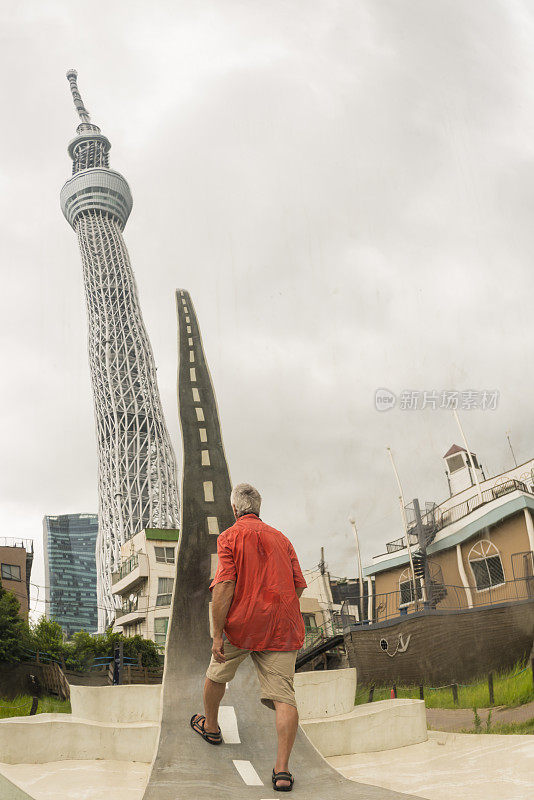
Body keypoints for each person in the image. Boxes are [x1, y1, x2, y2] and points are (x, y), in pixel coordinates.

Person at [190, 482, 307, 793]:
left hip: (242, 625)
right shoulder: (283, 539)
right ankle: (282, 771)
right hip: (282, 628)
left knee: (216, 674)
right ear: (259, 509)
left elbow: (224, 586)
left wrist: (217, 635)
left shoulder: (229, 537)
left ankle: (211, 727)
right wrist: (278, 609)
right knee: (284, 696)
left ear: (234, 510)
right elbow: (298, 586)